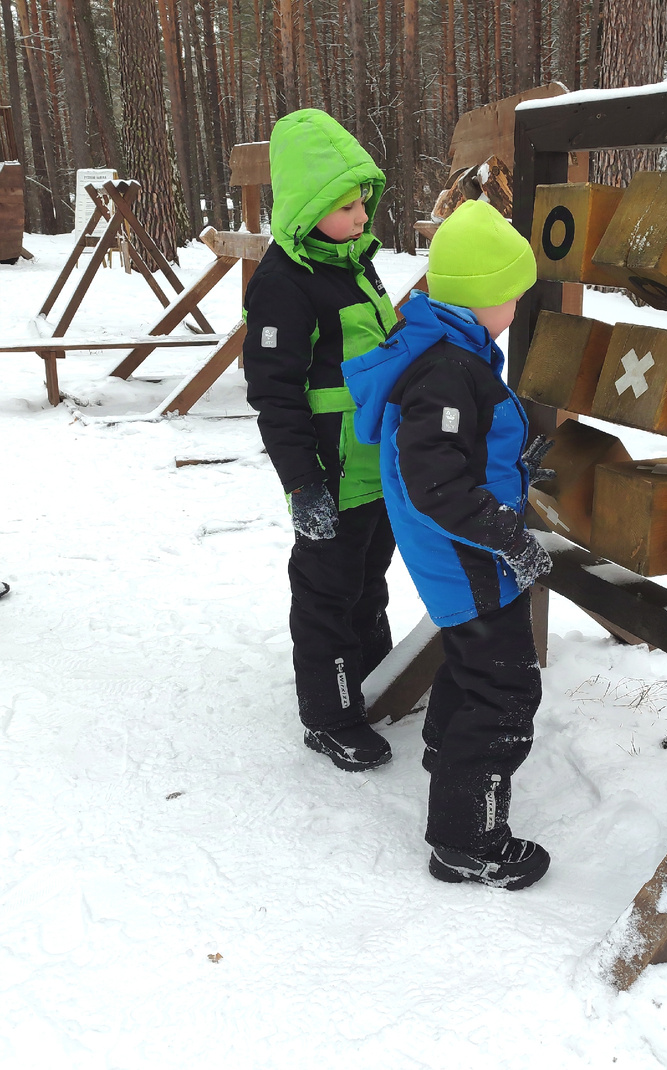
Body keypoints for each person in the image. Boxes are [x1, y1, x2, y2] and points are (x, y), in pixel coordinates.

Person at [344, 199, 553, 890]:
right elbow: (436, 480)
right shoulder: (450, 374)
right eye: (514, 294)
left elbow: (457, 452)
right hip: (469, 559)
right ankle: (469, 841)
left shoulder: (450, 350)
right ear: (488, 296)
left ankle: (447, 757)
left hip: (458, 556)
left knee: (472, 665)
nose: (518, 306)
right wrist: (507, 537)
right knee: (505, 690)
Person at [242, 109, 398, 773]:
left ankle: (374, 677)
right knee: (327, 596)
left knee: (369, 583)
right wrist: (302, 484)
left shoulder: (356, 265)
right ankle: (329, 714)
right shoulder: (284, 284)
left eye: (363, 203)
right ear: (308, 209)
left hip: (378, 467)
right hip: (330, 474)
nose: (362, 218)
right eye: (345, 207)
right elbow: (274, 395)